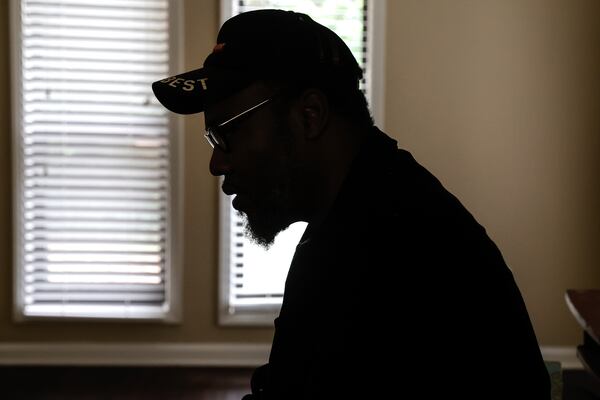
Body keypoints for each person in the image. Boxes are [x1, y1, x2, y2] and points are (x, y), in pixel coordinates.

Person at [152, 9, 550, 400]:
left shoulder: (401, 251)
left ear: (310, 116)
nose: (216, 163)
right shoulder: (349, 215)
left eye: (226, 133)